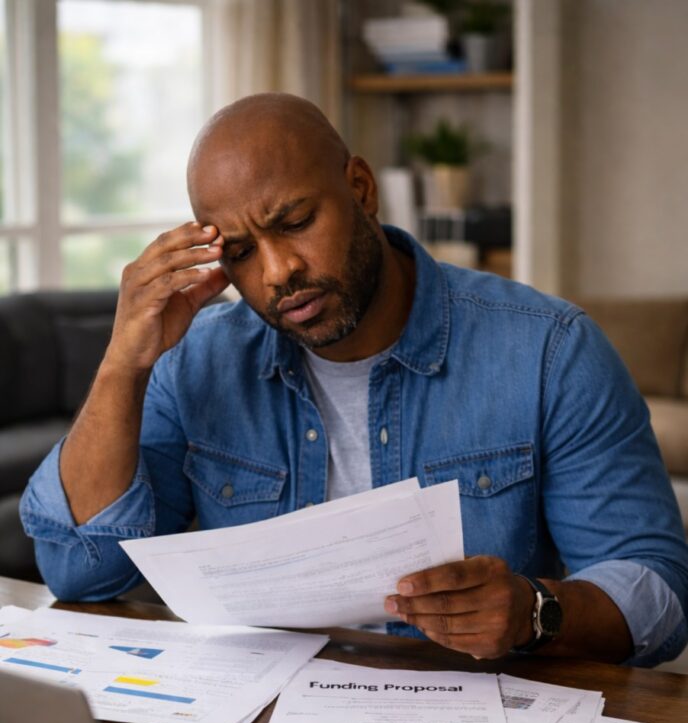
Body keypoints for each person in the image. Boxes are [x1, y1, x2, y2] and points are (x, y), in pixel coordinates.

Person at [21, 93, 688, 667]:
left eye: (295, 222)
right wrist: (122, 364)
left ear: (361, 189)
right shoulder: (198, 362)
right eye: (242, 252)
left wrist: (534, 611)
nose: (279, 271)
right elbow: (81, 572)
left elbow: (658, 593)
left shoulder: (549, 350)